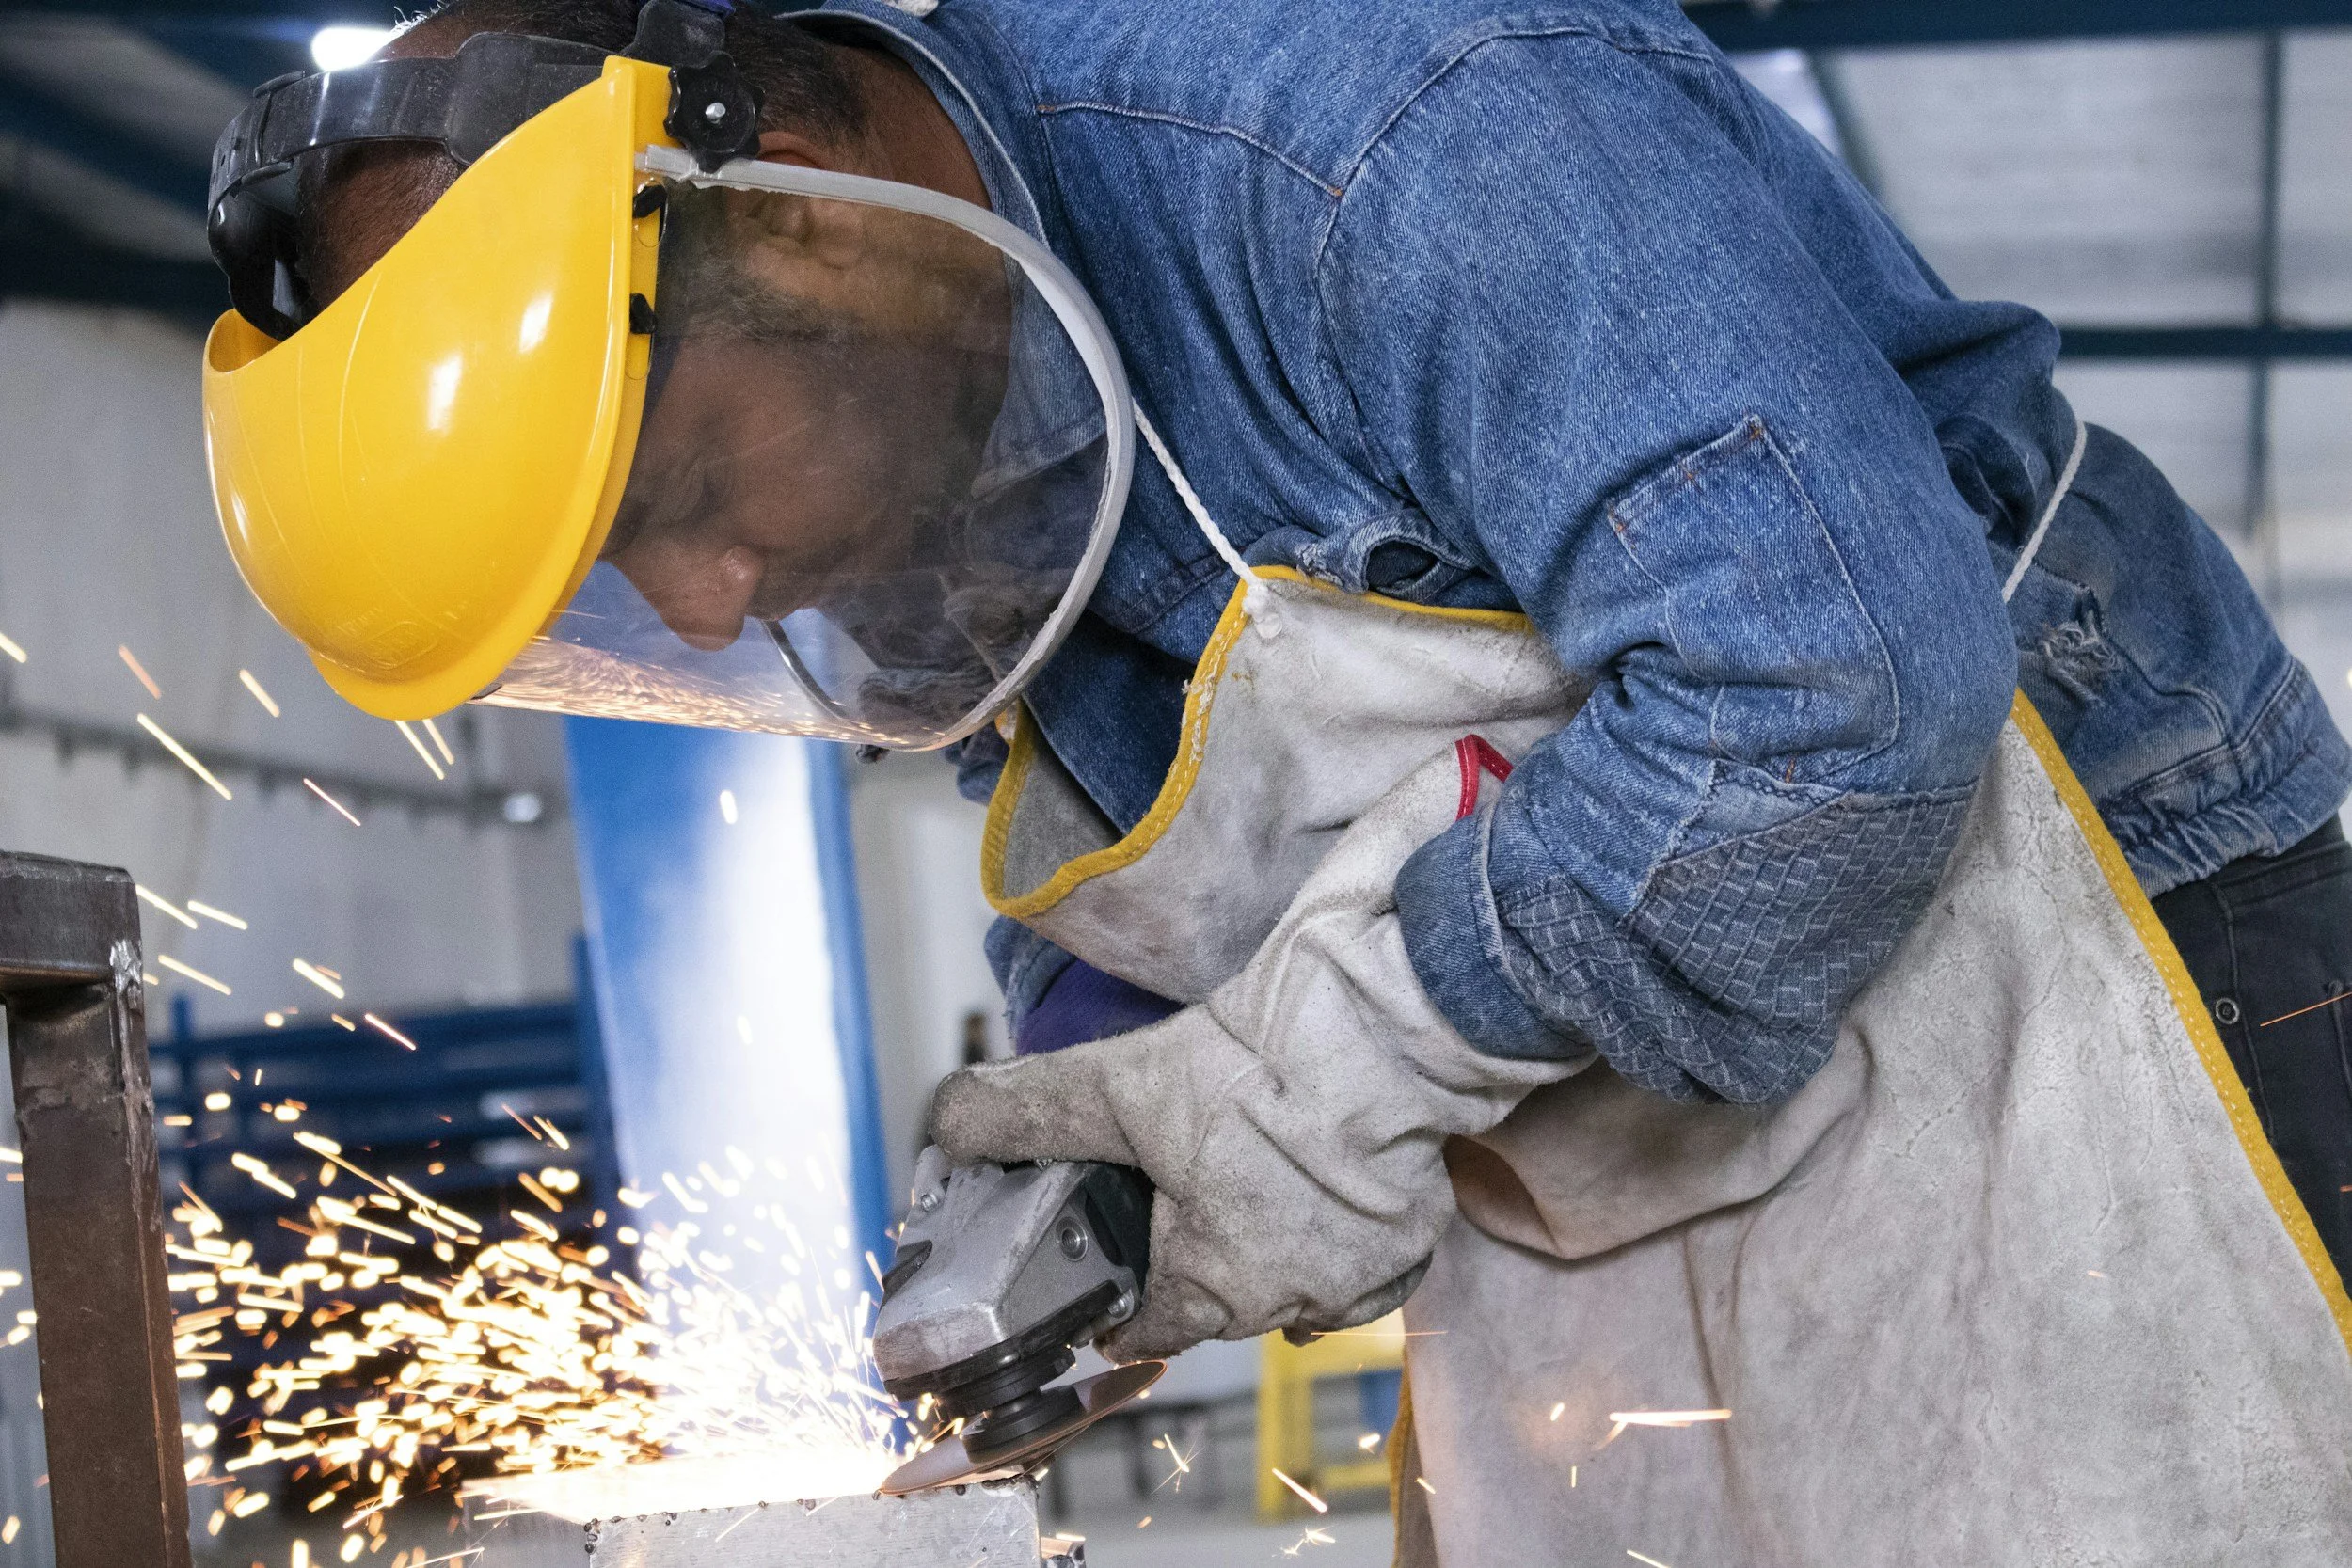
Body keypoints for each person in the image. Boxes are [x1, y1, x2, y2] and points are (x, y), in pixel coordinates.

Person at [200, 0, 2352, 1558]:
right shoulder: (950, 425)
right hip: (1601, 1101)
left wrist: (1319, 1078)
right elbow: (1148, 817)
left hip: (2089, 951)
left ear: (796, 215)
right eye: (620, 575)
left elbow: (1829, 680)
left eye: (667, 487)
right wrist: (1108, 1147)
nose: (704, 587)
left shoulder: (1369, 122)